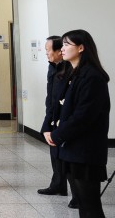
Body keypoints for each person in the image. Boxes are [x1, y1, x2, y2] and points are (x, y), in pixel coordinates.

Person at [46, 29, 110, 218]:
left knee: (90, 206)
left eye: (67, 45)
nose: (62, 48)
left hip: (85, 150)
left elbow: (83, 116)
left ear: (81, 48)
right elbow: (57, 105)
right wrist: (49, 129)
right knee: (82, 203)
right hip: (71, 148)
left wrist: (57, 135)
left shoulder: (92, 77)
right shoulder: (71, 73)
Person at [38, 36, 77, 205]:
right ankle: (58, 185)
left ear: (59, 51)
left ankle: (77, 195)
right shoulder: (52, 67)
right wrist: (47, 121)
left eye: (48, 50)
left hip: (66, 118)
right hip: (53, 114)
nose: (46, 53)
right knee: (54, 152)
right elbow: (51, 95)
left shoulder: (70, 68)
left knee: (67, 156)